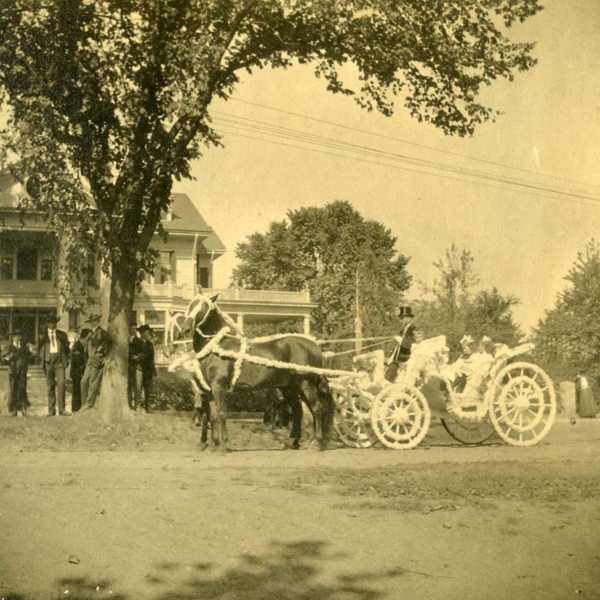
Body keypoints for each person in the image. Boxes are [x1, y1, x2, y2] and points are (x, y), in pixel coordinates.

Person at [40, 315, 71, 416]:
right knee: (50, 386)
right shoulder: (43, 336)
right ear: (47, 324)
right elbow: (39, 349)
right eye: (50, 323)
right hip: (48, 362)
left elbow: (67, 348)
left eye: (53, 323)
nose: (52, 325)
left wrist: (67, 360)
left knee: (61, 384)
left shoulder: (62, 335)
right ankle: (51, 411)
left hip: (59, 363)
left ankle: (62, 410)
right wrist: (43, 361)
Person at [81, 315, 111, 409]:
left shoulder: (101, 332)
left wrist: (101, 350)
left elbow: (109, 341)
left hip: (97, 359)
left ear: (98, 321)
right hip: (89, 360)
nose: (93, 322)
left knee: (93, 382)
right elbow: (86, 346)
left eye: (95, 320)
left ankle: (89, 404)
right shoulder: (90, 333)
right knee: (83, 381)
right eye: (92, 321)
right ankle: (84, 403)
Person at [2, 331, 32, 416]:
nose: (18, 338)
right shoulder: (9, 347)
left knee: (22, 389)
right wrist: (7, 358)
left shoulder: (24, 347)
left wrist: (30, 353)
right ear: (13, 338)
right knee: (13, 389)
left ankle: (23, 409)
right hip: (13, 371)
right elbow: (3, 358)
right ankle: (14, 409)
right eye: (15, 336)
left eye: (19, 336)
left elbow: (29, 357)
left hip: (22, 371)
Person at [385, 305, 417, 382]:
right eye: (400, 318)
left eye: (403, 317)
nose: (401, 319)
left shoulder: (413, 329)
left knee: (389, 377)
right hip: (397, 357)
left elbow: (411, 345)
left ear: (409, 318)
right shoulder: (404, 329)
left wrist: (400, 340)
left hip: (405, 358)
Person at [70, 328, 90, 412]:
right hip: (77, 372)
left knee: (80, 391)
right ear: (85, 337)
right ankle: (75, 409)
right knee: (77, 392)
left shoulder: (83, 346)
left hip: (81, 372)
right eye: (89, 338)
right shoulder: (78, 346)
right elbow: (77, 360)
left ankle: (79, 408)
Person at [137, 324, 157, 412]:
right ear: (142, 333)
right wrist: (139, 356)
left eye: (148, 333)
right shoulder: (137, 342)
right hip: (140, 368)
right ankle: (138, 406)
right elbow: (136, 354)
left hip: (148, 369)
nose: (148, 335)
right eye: (146, 333)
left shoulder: (150, 344)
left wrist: (153, 370)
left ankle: (147, 407)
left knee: (148, 389)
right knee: (138, 387)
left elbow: (150, 356)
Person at [128, 323, 145, 410]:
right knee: (129, 386)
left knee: (137, 386)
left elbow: (143, 353)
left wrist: (138, 357)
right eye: (132, 328)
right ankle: (129, 405)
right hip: (127, 366)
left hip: (137, 366)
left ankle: (137, 405)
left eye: (135, 329)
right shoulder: (124, 340)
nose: (134, 331)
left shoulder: (139, 341)